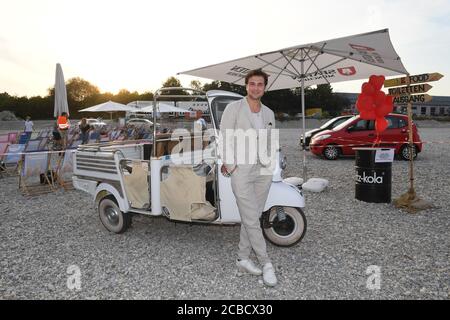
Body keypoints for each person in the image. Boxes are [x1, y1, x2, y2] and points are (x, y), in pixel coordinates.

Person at [219, 69, 278, 287]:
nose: (255, 88)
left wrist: (270, 166)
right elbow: (223, 138)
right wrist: (232, 167)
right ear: (246, 86)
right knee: (252, 218)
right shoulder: (233, 108)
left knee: (251, 215)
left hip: (263, 172)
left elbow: (271, 141)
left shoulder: (269, 113)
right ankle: (266, 263)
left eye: (259, 84)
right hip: (241, 171)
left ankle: (242, 258)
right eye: (252, 84)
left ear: (264, 87)